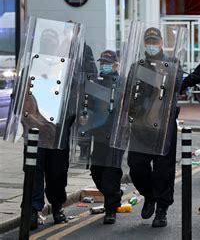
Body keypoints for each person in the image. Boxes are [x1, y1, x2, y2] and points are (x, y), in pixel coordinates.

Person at [126, 27, 181, 228]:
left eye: (154, 41)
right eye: (148, 41)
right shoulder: (137, 66)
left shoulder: (172, 65)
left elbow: (177, 87)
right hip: (140, 125)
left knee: (163, 170)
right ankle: (149, 195)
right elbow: (130, 91)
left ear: (160, 43)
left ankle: (162, 209)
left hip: (164, 124)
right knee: (136, 166)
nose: (151, 44)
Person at [23, 28, 74, 229]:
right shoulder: (31, 65)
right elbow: (22, 93)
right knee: (33, 172)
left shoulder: (64, 68)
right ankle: (33, 210)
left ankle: (57, 207)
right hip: (35, 130)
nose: (48, 45)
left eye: (51, 42)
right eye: (45, 41)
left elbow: (74, 94)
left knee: (57, 173)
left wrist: (69, 119)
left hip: (56, 131)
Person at [78, 50, 125, 224]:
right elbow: (86, 105)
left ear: (115, 65)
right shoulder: (95, 83)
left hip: (115, 135)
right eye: (102, 62)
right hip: (98, 135)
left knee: (110, 173)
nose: (103, 65)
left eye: (107, 62)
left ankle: (111, 209)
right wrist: (84, 115)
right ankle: (113, 194)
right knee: (97, 172)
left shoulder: (122, 83)